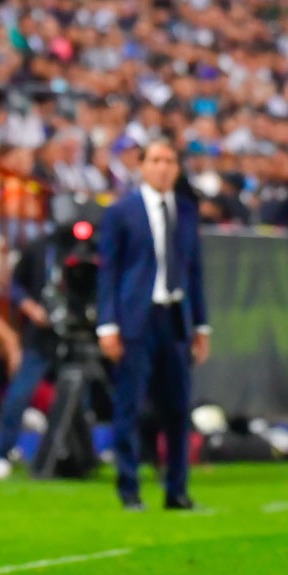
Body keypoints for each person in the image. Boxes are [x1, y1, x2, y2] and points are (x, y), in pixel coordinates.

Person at [97, 139, 210, 512]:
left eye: (169, 161)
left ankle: (177, 490)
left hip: (175, 317)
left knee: (178, 408)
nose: (163, 167)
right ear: (142, 166)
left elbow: (194, 271)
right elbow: (109, 271)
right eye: (156, 160)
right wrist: (107, 324)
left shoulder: (187, 211)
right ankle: (129, 489)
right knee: (129, 406)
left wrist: (201, 326)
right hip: (136, 319)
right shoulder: (121, 211)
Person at [0, 231, 64, 481]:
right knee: (17, 395)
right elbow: (14, 285)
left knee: (79, 401)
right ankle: (3, 454)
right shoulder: (39, 246)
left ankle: (75, 453)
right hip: (40, 338)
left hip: (74, 335)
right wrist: (31, 307)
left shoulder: (87, 247)